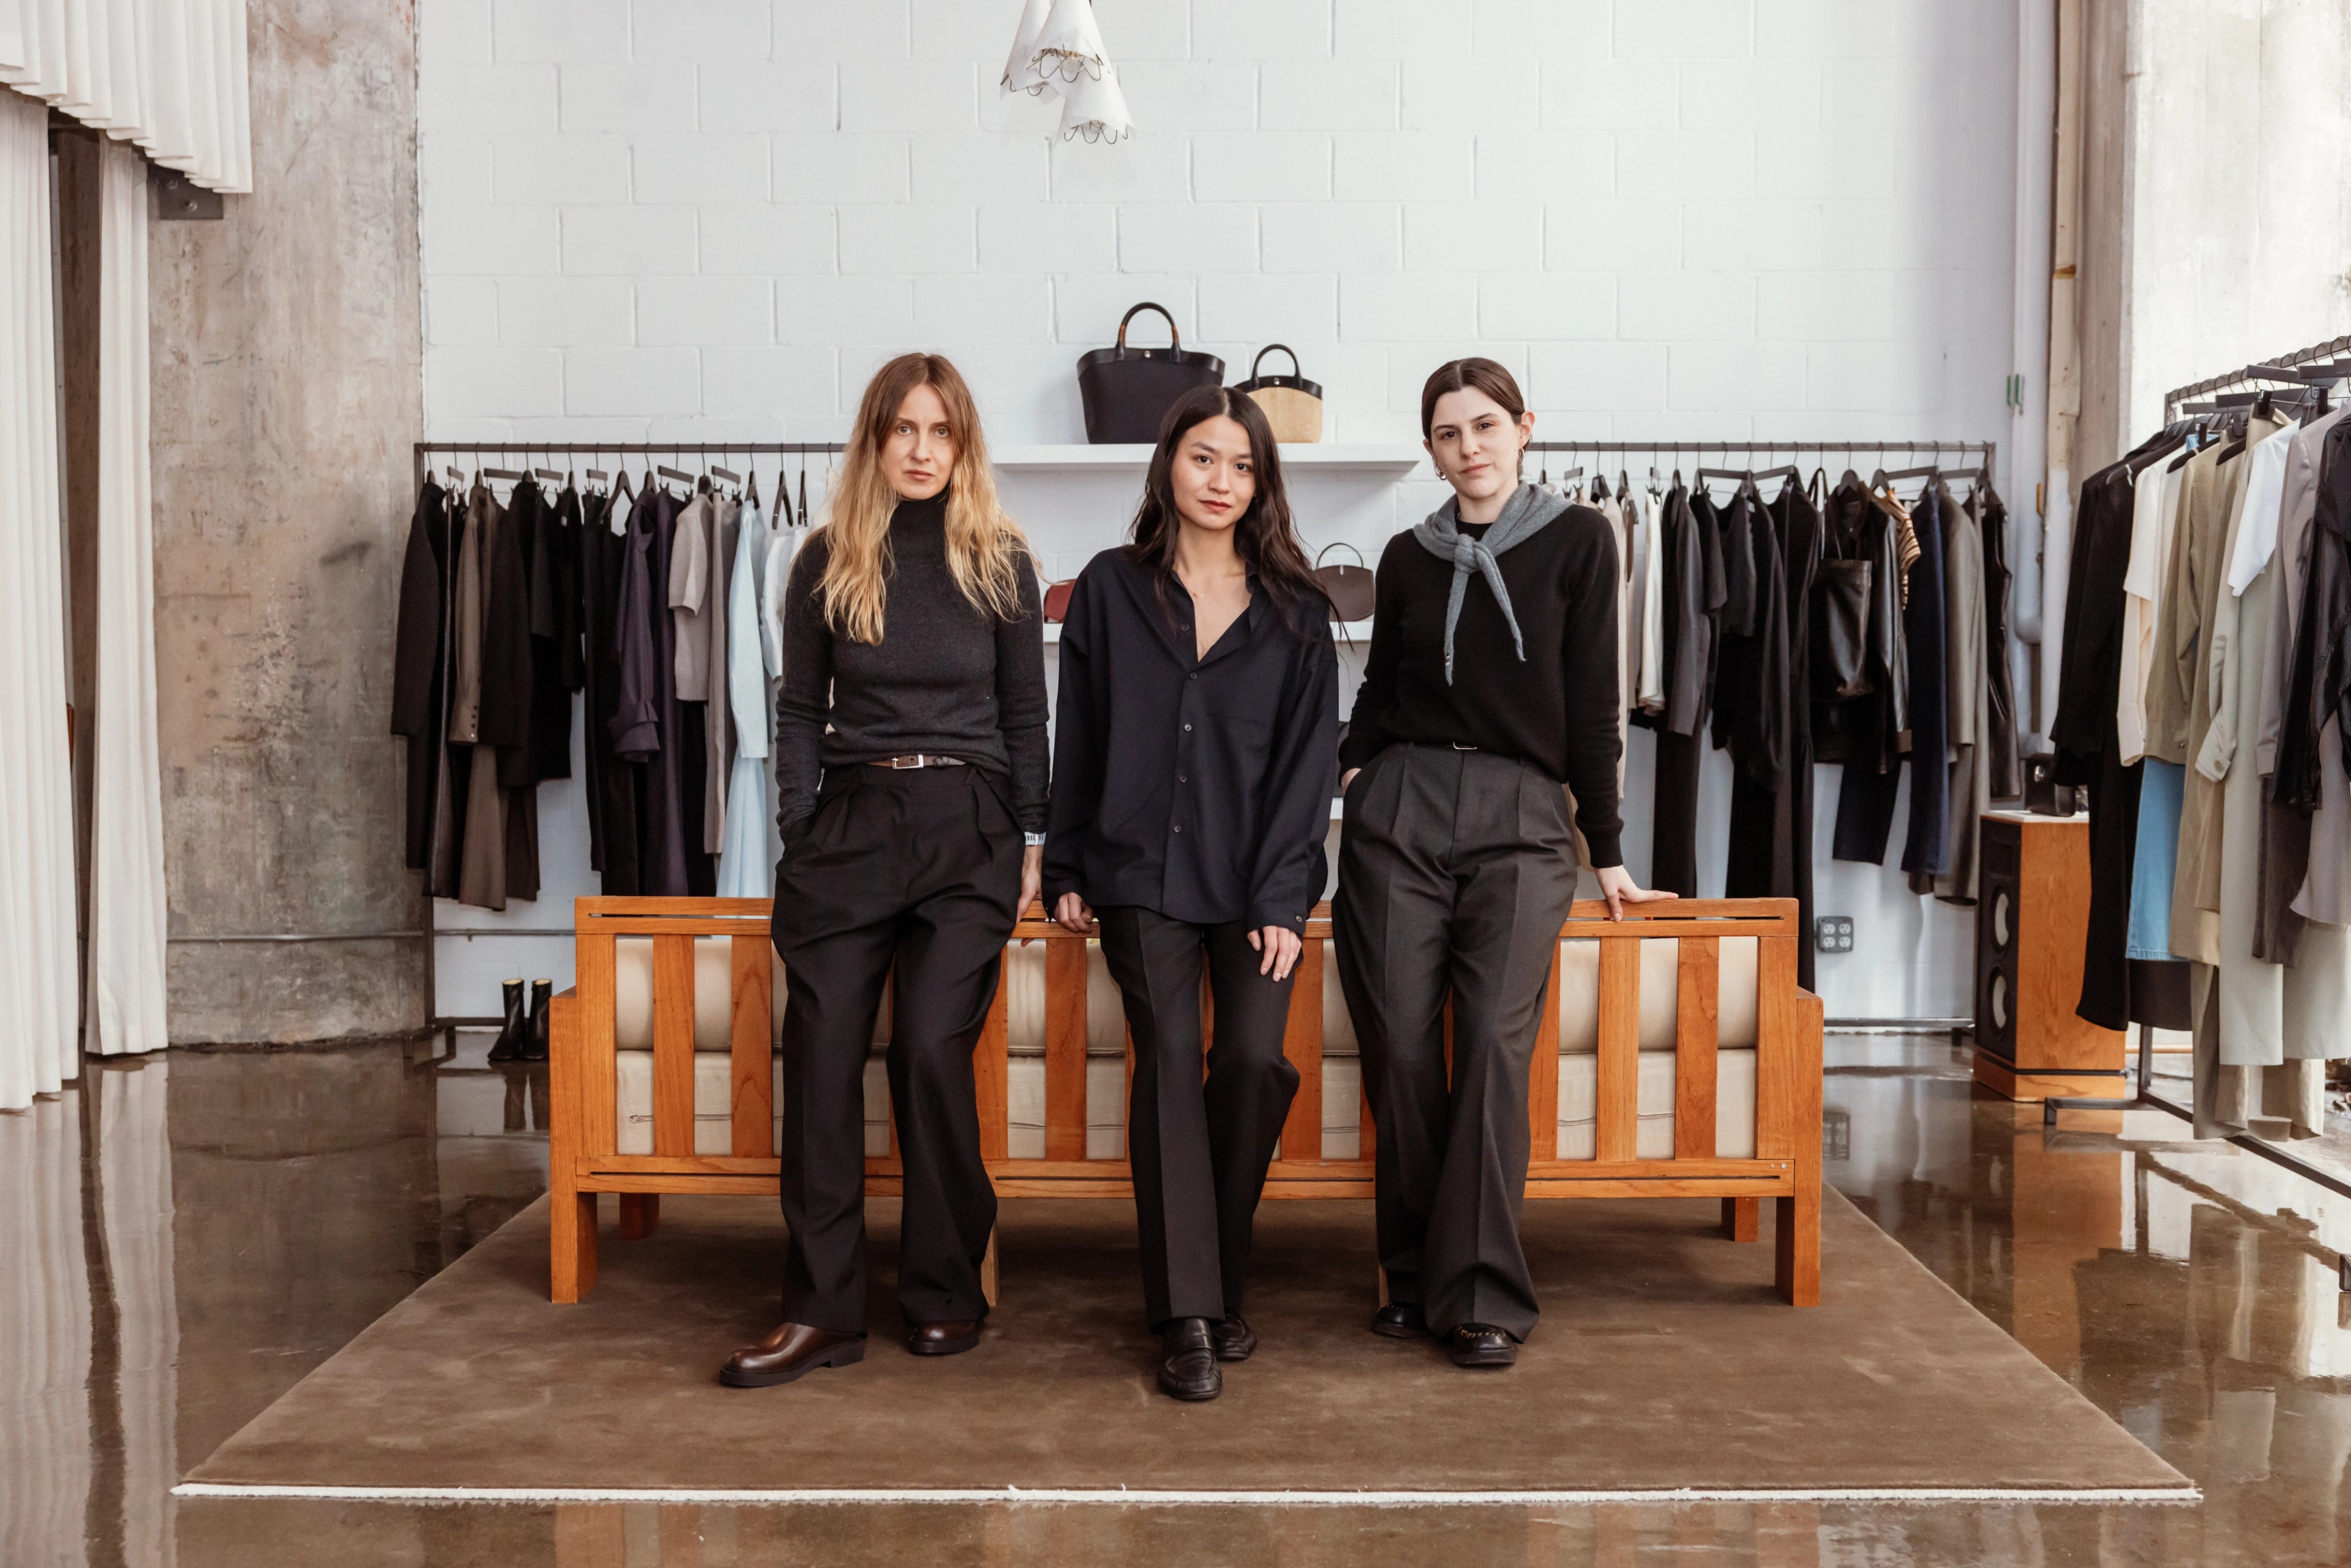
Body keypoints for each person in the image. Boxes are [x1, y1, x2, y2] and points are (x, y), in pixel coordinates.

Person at [1334, 358, 1674, 1370]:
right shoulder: (1405, 555)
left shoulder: (1579, 539)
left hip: (1524, 812)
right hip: (1399, 802)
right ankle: (1409, 1271)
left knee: (1488, 1039)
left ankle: (1481, 1292)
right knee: (1397, 1038)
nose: (1469, 446)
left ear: (1525, 428)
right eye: (1448, 433)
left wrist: (1604, 849)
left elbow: (1592, 706)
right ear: (1432, 450)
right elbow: (1380, 687)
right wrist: (1351, 769)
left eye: (1486, 425)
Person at [722, 353, 1046, 1389]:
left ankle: (946, 1287)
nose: (919, 449)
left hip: (969, 821)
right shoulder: (825, 558)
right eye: (901, 429)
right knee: (819, 1052)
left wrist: (1032, 839)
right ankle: (822, 1311)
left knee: (926, 1050)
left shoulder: (999, 560)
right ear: (873, 441)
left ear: (963, 445)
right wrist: (798, 831)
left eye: (939, 431)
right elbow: (796, 710)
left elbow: (1025, 714)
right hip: (852, 823)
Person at [1044, 386, 1339, 1402]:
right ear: (1170, 461)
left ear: (1264, 482)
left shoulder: (1300, 611)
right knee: (1169, 1057)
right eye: (1205, 458)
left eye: (1243, 466)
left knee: (1255, 1060)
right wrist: (1067, 866)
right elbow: (1075, 734)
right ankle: (1189, 1317)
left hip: (1258, 879)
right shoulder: (1109, 592)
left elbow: (1309, 770)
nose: (1222, 481)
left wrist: (1283, 899)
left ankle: (1214, 1275)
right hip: (1137, 872)